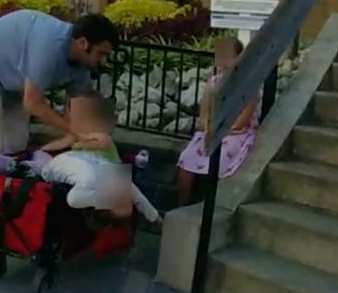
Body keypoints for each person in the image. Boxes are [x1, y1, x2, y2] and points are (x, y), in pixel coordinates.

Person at [0, 10, 118, 158]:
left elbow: (79, 105)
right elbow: (32, 103)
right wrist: (75, 130)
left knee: (16, 146)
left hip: (13, 80)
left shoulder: (83, 65)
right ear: (83, 43)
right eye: (101, 53)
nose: (102, 60)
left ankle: (8, 187)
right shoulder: (49, 48)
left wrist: (80, 133)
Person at [27, 91, 160, 222]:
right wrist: (41, 150)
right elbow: (61, 144)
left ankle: (146, 217)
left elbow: (97, 143)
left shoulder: (101, 138)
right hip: (91, 172)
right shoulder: (78, 138)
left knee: (124, 207)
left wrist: (80, 140)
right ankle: (102, 215)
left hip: (105, 172)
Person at [175, 37, 259, 207]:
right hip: (212, 130)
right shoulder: (213, 82)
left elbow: (241, 122)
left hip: (237, 135)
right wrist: (208, 129)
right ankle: (181, 206)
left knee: (219, 161)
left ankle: (212, 208)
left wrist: (220, 131)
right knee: (186, 159)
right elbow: (204, 113)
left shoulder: (250, 85)